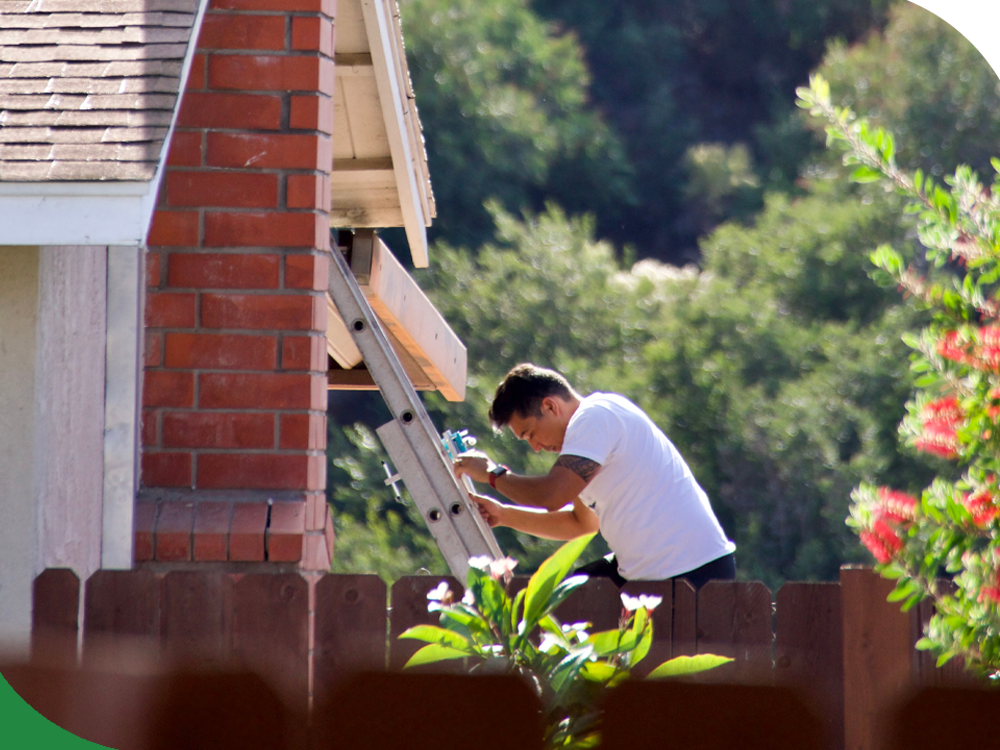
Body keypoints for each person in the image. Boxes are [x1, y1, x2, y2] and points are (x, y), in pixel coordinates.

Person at [453, 363, 736, 589]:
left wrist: (492, 473)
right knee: (563, 602)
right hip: (660, 574)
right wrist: (503, 515)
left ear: (551, 406)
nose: (536, 448)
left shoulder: (594, 417)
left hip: (693, 575)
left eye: (530, 434)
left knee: (563, 613)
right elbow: (580, 523)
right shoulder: (587, 444)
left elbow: (552, 496)